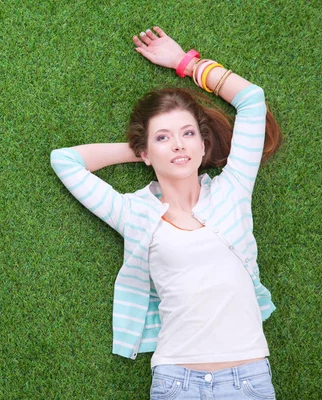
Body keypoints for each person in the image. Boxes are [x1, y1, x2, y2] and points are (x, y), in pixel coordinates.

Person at [50, 26, 282, 399]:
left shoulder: (233, 189)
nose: (178, 145)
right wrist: (141, 148)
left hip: (248, 377)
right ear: (145, 152)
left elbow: (252, 99)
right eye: (164, 137)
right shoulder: (134, 213)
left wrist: (184, 63)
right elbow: (65, 161)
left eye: (188, 134)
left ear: (203, 144)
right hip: (177, 381)